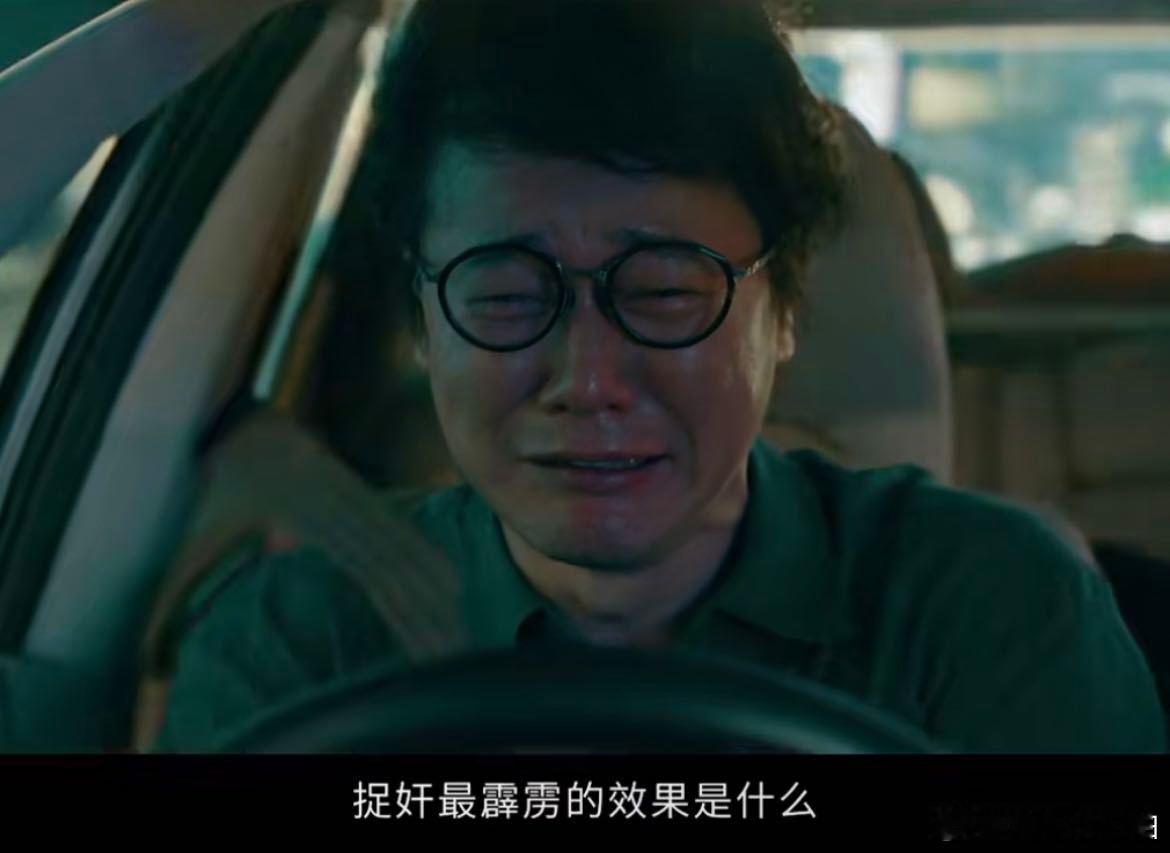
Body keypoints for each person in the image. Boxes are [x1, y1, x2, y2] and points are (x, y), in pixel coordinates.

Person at [153, 0, 1165, 753]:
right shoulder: (298, 646)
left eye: (666, 291)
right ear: (422, 322)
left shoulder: (988, 610)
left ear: (785, 313)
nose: (589, 378)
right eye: (504, 293)